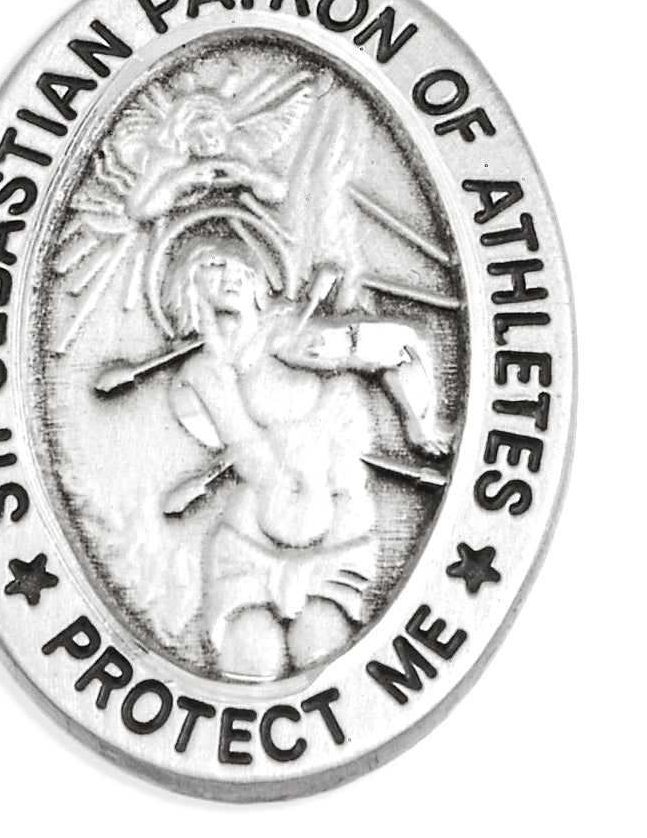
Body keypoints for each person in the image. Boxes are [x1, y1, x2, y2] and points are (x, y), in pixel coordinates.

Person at [160, 237, 451, 680]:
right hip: (246, 543)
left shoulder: (295, 337)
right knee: (249, 657)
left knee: (322, 646)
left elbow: (397, 347)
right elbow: (253, 460)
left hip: (337, 534)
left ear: (260, 284)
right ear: (189, 284)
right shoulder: (201, 375)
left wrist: (419, 422)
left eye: (243, 269)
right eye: (215, 265)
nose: (232, 276)